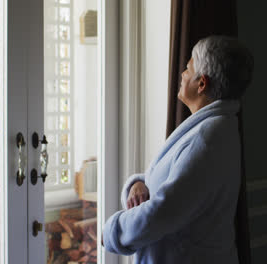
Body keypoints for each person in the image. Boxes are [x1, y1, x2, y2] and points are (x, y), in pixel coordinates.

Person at [102, 35, 254, 263]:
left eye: (188, 68)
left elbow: (162, 212)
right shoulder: (215, 129)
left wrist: (112, 232)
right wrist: (139, 184)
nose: (182, 74)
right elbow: (176, 185)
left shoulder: (206, 140)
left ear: (201, 83)